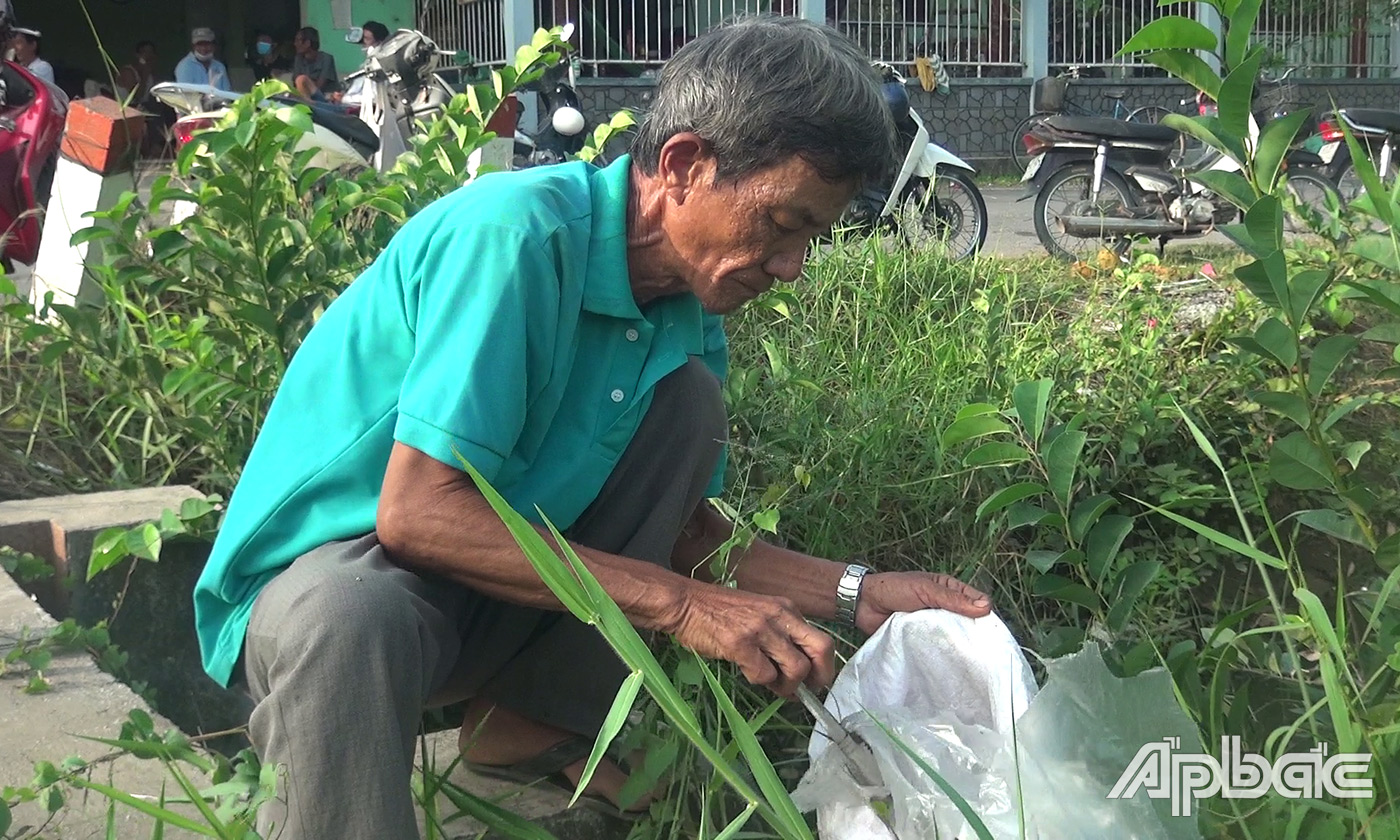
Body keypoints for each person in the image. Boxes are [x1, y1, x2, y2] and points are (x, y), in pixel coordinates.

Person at [192, 15, 992, 840]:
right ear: (684, 165)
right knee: (352, 612)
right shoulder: (513, 236)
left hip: (472, 599)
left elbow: (685, 535)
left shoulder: (683, 304)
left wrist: (858, 593)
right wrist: (687, 609)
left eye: (811, 238)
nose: (790, 266)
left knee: (686, 406)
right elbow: (417, 513)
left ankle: (526, 722)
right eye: (783, 224)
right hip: (327, 602)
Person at [332, 21, 390, 106]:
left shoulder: (379, 66)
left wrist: (344, 99)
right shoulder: (369, 62)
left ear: (379, 42)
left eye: (367, 39)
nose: (363, 42)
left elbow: (374, 98)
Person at [291, 26, 338, 102]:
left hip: (326, 100)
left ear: (307, 43)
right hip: (306, 97)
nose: (295, 44)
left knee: (302, 79)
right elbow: (296, 85)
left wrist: (306, 83)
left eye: (297, 40)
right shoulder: (298, 59)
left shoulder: (326, 58)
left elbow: (319, 86)